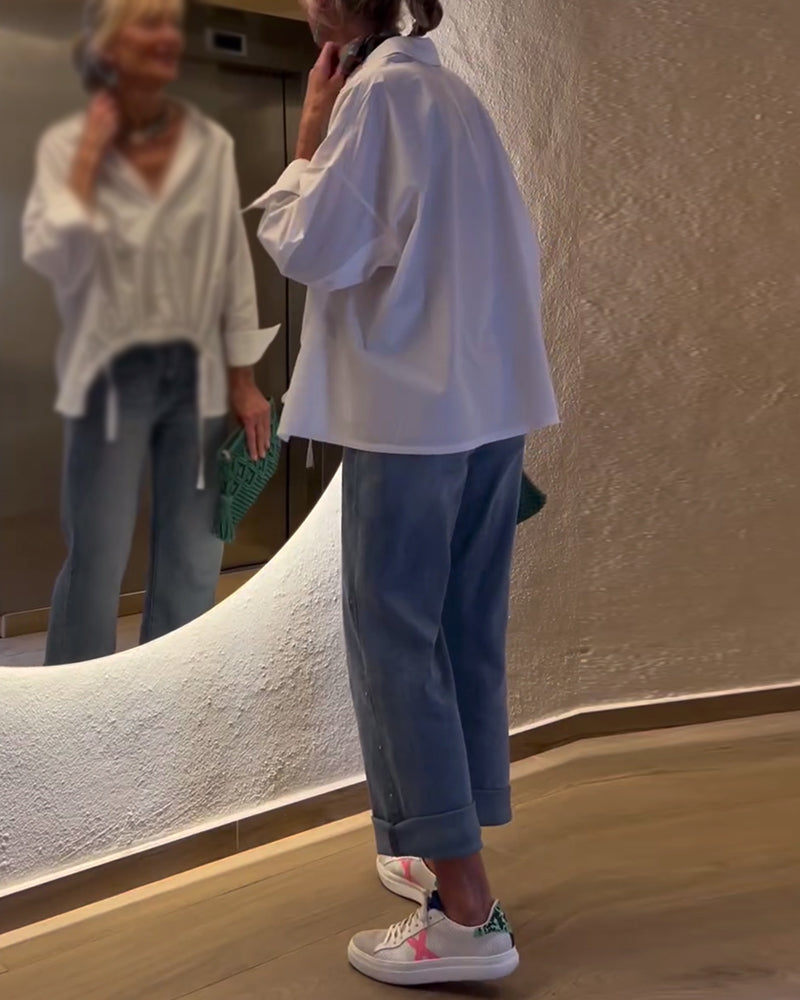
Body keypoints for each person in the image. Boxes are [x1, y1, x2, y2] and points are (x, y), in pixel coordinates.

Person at [255, 0, 558, 987]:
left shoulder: (378, 99)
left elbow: (310, 246)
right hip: (485, 407)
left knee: (394, 645)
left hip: (412, 418)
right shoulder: (453, 96)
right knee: (458, 635)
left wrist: (305, 141)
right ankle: (441, 847)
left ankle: (466, 911)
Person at [22, 0, 276, 666]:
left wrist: (244, 380)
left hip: (198, 368)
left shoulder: (209, 145)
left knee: (194, 551)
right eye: (148, 22)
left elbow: (229, 263)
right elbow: (49, 253)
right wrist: (86, 164)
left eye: (170, 23)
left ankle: (175, 689)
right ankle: (76, 697)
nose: (167, 36)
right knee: (97, 555)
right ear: (109, 45)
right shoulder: (68, 145)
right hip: (109, 375)